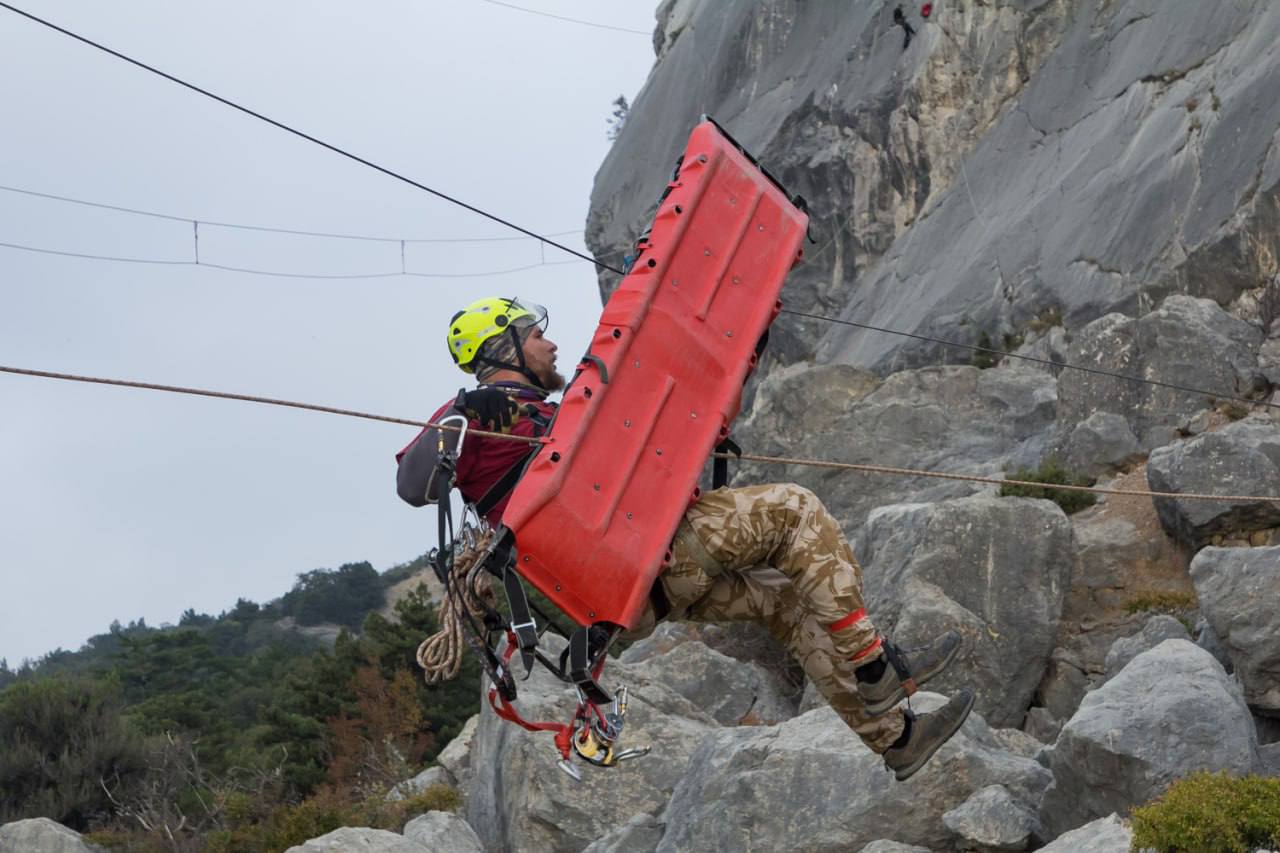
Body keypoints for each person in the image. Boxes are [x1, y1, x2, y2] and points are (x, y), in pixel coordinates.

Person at [396, 296, 975, 781]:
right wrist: (466, 410)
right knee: (795, 510)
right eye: (534, 335)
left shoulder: (555, 416)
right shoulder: (472, 418)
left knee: (783, 597)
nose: (550, 345)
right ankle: (877, 668)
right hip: (620, 570)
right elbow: (413, 483)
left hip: (637, 582)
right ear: (504, 349)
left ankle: (897, 740)